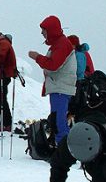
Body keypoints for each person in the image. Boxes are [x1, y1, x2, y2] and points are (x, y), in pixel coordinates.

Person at [28, 15, 76, 144]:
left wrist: (37, 57)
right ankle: (61, 148)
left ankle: (64, 150)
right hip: (59, 87)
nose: (42, 33)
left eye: (44, 30)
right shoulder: (59, 44)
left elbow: (53, 65)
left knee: (59, 121)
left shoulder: (61, 44)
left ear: (51, 30)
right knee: (57, 120)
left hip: (61, 88)